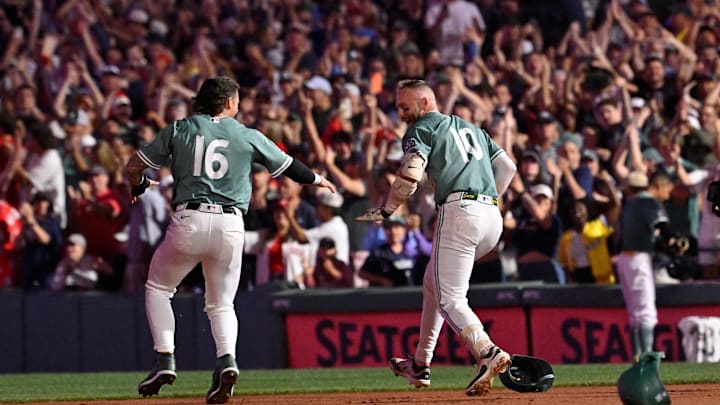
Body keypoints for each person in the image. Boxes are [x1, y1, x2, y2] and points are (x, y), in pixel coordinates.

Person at [124, 76, 335, 404]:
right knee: (221, 303)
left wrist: (138, 185)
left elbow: (133, 165)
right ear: (228, 103)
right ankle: (226, 361)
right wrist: (319, 179)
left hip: (189, 219)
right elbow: (289, 165)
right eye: (237, 99)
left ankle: (165, 359)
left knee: (158, 289)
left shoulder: (180, 128)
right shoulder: (245, 134)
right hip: (231, 224)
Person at [356, 79, 516, 396]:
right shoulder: (472, 128)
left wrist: (387, 210)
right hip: (491, 217)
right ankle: (420, 364)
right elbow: (508, 167)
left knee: (450, 298)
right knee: (433, 282)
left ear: (426, 103)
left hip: (460, 212)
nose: (401, 113)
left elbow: (410, 174)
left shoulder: (422, 128)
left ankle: (487, 352)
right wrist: (487, 200)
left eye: (406, 106)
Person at [617, 171, 676, 360]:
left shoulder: (630, 204)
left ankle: (637, 356)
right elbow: (662, 226)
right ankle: (647, 358)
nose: (667, 195)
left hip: (626, 259)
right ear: (657, 185)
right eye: (666, 189)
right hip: (638, 259)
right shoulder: (646, 201)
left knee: (635, 313)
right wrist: (673, 239)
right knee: (646, 311)